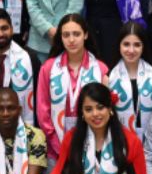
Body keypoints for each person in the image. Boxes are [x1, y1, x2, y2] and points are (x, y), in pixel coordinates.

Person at [36, 14, 109, 161]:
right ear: (60, 38)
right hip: (54, 149)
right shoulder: (48, 68)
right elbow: (43, 110)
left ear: (85, 35)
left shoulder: (100, 69)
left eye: (76, 34)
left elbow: (104, 111)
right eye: (66, 35)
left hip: (92, 147)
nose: (71, 40)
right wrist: (58, 146)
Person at [108, 21, 152, 134]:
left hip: (151, 140)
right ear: (119, 45)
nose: (131, 50)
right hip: (120, 140)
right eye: (126, 44)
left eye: (137, 45)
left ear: (144, 47)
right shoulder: (108, 78)